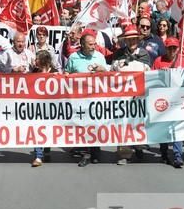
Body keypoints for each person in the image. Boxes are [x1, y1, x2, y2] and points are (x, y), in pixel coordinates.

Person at [65, 29, 108, 167]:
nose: (93, 47)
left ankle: (94, 151)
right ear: (82, 44)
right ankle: (86, 152)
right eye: (90, 44)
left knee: (94, 124)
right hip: (79, 99)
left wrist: (103, 70)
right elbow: (67, 73)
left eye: (94, 44)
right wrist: (66, 76)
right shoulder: (73, 58)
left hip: (95, 98)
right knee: (82, 125)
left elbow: (108, 75)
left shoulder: (100, 56)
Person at [111, 25, 150, 165]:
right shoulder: (118, 55)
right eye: (129, 40)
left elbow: (149, 75)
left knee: (138, 123)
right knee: (123, 125)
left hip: (139, 96)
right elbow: (112, 74)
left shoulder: (144, 54)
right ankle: (124, 154)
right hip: (122, 97)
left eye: (134, 39)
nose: (131, 42)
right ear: (125, 41)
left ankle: (139, 147)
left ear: (137, 40)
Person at [152, 37, 184, 168]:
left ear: (178, 49)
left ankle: (178, 156)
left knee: (177, 128)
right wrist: (161, 73)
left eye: (174, 48)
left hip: (178, 100)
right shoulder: (158, 61)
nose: (172, 50)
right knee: (164, 128)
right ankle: (164, 152)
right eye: (169, 48)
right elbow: (151, 78)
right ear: (165, 48)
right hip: (162, 100)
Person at [31, 51, 56, 167]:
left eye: (37, 59)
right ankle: (38, 156)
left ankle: (46, 148)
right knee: (37, 129)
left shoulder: (55, 73)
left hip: (52, 108)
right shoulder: (34, 72)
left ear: (44, 61)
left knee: (49, 130)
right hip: (37, 107)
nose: (35, 61)